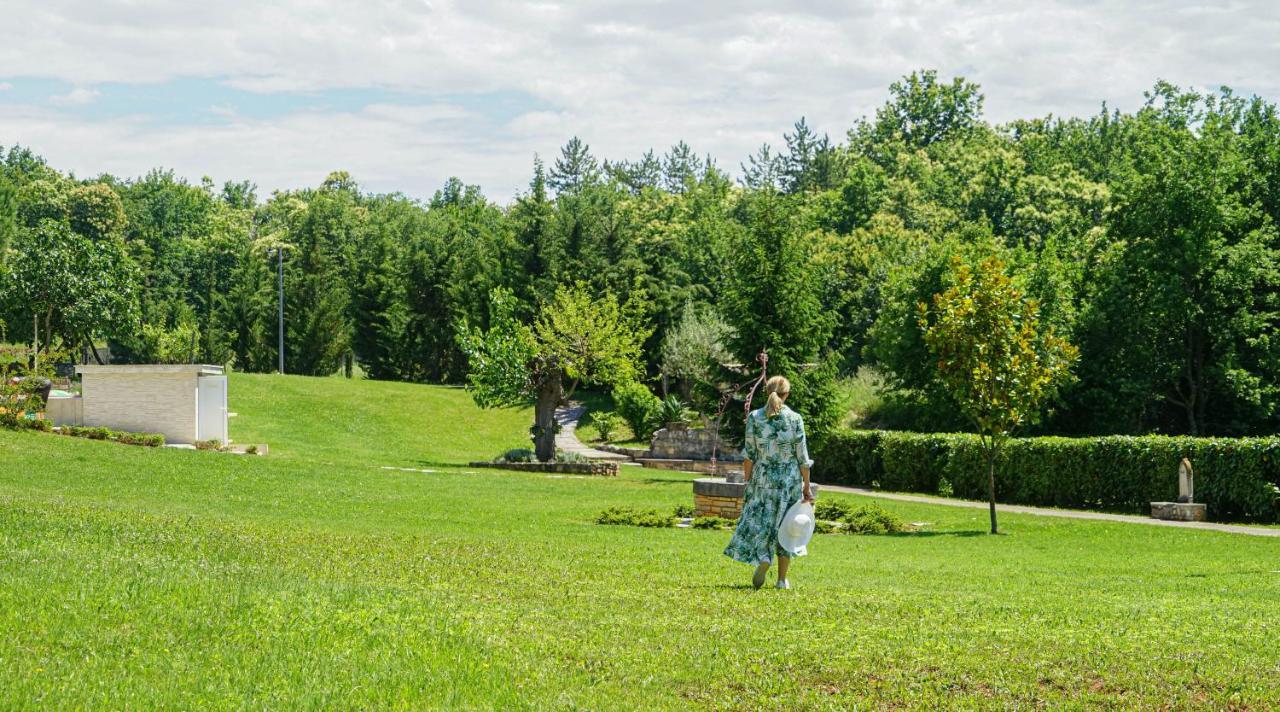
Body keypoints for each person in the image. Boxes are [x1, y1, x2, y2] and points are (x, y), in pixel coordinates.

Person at [723, 375, 814, 590]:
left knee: (763, 523)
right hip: (788, 481)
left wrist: (748, 482)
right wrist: (807, 487)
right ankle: (782, 580)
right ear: (787, 394)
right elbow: (802, 457)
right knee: (787, 526)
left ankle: (764, 559)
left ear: (767, 392)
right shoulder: (795, 419)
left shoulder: (755, 417)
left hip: (762, 479)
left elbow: (749, 454)